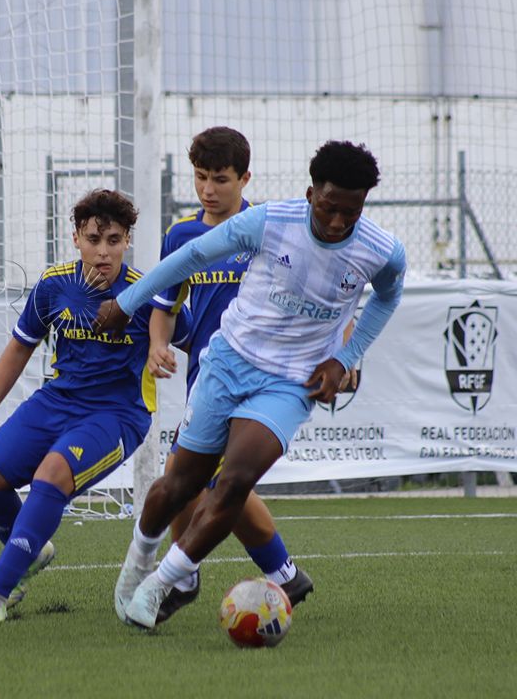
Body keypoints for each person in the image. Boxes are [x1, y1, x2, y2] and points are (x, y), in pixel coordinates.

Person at [98, 141, 406, 630]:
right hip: (228, 363)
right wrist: (126, 302)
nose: (337, 222)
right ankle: (137, 566)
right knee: (179, 485)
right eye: (329, 207)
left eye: (351, 211)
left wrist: (345, 358)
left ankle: (163, 585)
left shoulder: (381, 250)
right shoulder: (268, 222)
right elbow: (191, 256)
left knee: (235, 481)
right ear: (311, 194)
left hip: (291, 383)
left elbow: (388, 297)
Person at [0, 189, 191, 623]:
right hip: (58, 399)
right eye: (93, 240)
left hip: (117, 414)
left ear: (127, 241)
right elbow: (20, 346)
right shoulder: (54, 285)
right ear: (76, 239)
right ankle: (31, 551)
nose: (103, 252)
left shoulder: (145, 292)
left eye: (114, 240)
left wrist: (162, 349)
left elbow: (188, 334)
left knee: (52, 473)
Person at [144, 127, 313, 623]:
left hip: (261, 377)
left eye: (220, 179)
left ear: (245, 178)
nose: (208, 189)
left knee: (206, 478)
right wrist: (157, 344)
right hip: (208, 378)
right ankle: (283, 575)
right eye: (200, 177)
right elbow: (164, 304)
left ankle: (186, 579)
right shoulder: (182, 236)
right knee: (197, 479)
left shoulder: (269, 231)